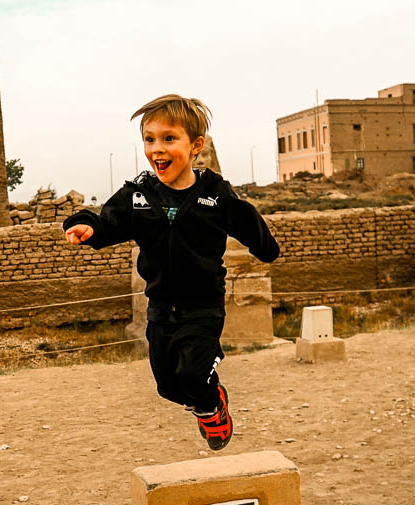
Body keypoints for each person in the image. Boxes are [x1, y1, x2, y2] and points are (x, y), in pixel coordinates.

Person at [62, 94, 280, 450]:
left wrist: (266, 248)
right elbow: (106, 220)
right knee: (167, 386)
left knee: (193, 376)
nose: (156, 148)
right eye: (149, 139)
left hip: (203, 307)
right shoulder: (138, 194)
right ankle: (202, 400)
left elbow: (245, 219)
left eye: (168, 138)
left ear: (195, 146)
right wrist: (87, 227)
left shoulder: (214, 193)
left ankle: (212, 406)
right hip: (160, 307)